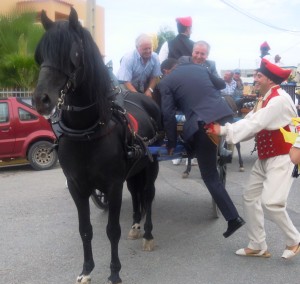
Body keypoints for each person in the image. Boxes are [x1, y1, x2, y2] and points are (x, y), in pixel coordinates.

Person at [207, 58, 300, 259]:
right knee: (250, 197)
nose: (255, 80)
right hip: (267, 156)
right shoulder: (264, 99)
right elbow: (250, 122)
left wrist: (223, 130)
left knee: (272, 202)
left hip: (283, 157)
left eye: (259, 76)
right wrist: (227, 129)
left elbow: (256, 123)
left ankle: (294, 240)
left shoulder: (279, 100)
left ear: (270, 80)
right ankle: (258, 244)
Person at [158, 62, 245, 238]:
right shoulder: (199, 68)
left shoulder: (166, 83)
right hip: (224, 114)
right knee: (204, 155)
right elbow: (221, 84)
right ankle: (207, 150)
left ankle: (233, 218)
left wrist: (172, 141)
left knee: (209, 175)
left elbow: (167, 114)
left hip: (202, 124)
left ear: (166, 71)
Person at [117, 34, 161, 98]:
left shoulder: (155, 57)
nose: (148, 51)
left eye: (150, 48)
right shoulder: (128, 58)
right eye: (145, 49)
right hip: (124, 86)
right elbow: (126, 82)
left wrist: (149, 90)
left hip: (141, 86)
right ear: (137, 48)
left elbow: (154, 77)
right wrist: (138, 97)